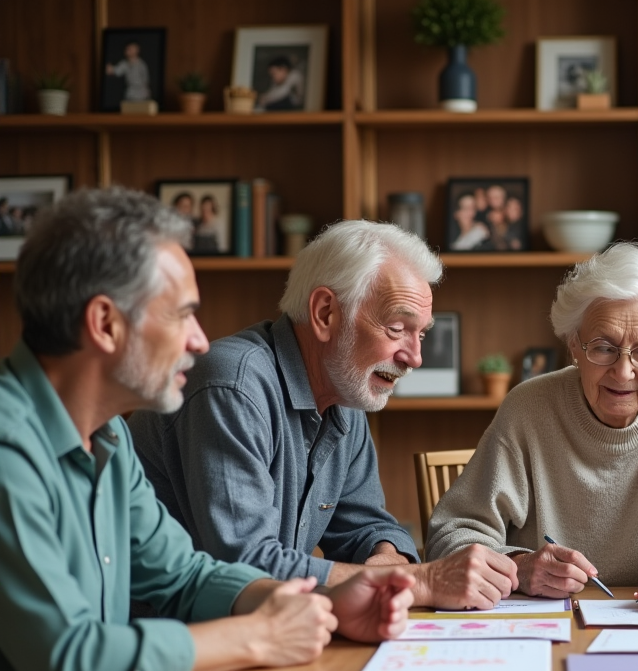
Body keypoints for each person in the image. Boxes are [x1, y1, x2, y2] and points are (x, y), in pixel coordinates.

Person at [0, 187, 414, 671]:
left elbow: (187, 576)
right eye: (183, 314)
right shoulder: (9, 448)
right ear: (105, 324)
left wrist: (316, 602)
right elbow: (71, 661)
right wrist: (257, 634)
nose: (199, 340)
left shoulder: (109, 442)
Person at [128, 220, 519, 610]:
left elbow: (368, 527)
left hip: (261, 633)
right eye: (397, 328)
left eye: (422, 334)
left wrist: (389, 560)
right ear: (325, 313)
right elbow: (246, 568)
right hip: (171, 641)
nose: (414, 357)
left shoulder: (343, 398)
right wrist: (419, 581)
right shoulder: (233, 385)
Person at [425, 243, 638, 612]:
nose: (624, 372)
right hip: (544, 630)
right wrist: (520, 566)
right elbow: (451, 536)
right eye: (603, 347)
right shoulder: (528, 408)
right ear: (574, 345)